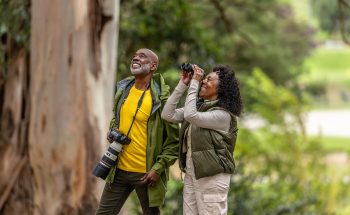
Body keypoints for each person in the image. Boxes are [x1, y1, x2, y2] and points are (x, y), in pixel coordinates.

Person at [96, 48, 179, 215]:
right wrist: (113, 130)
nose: (136, 58)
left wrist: (158, 168)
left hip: (145, 174)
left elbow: (173, 142)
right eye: (134, 56)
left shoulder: (161, 99)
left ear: (153, 66)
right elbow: (117, 118)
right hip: (118, 169)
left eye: (142, 56)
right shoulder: (123, 89)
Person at [161, 64, 242, 215]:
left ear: (221, 88)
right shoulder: (199, 108)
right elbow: (167, 115)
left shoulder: (223, 116)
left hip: (212, 177)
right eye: (204, 78)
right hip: (193, 173)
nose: (204, 81)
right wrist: (183, 84)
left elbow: (191, 116)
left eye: (209, 79)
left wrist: (195, 82)